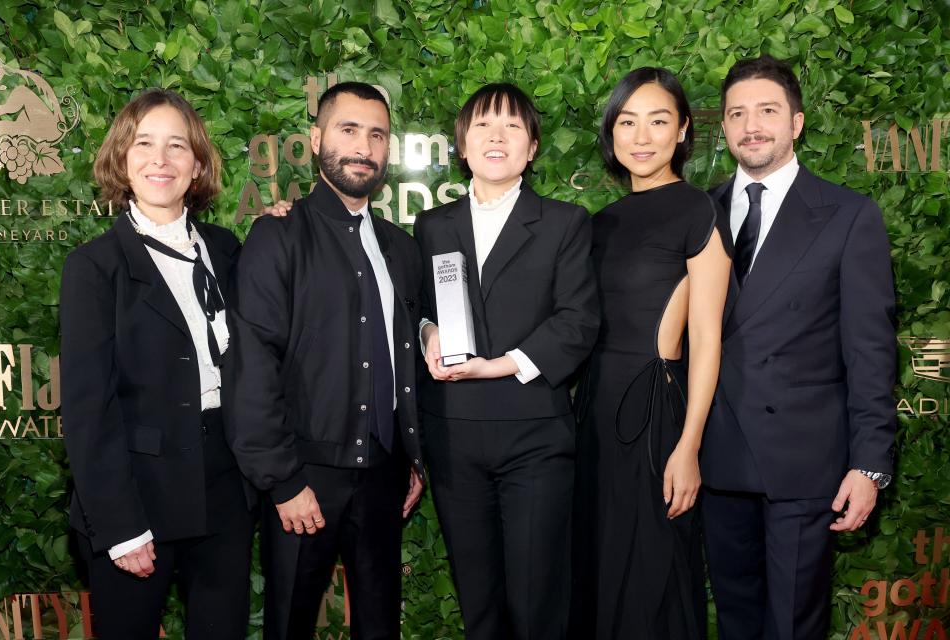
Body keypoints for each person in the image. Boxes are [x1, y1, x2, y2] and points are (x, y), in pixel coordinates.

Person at [700, 55, 897, 639]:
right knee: (735, 620)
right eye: (737, 114)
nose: (751, 125)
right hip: (715, 454)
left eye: (767, 111)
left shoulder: (848, 215)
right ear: (725, 128)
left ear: (797, 123)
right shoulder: (697, 212)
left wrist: (869, 463)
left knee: (792, 624)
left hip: (804, 460)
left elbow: (870, 351)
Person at [226, 81, 425, 640]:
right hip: (303, 478)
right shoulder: (277, 234)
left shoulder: (401, 249)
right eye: (348, 129)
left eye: (377, 134)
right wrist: (283, 481)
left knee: (381, 625)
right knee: (290, 624)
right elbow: (253, 364)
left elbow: (409, 356)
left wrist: (412, 458)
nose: (364, 146)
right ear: (316, 140)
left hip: (385, 475)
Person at [60, 89, 252, 639]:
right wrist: (119, 527)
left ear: (197, 165)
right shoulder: (94, 268)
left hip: (224, 488)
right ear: (123, 157)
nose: (160, 160)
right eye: (144, 144)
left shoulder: (227, 249)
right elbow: (87, 409)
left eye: (176, 146)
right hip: (137, 491)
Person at [415, 83, 599, 640]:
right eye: (483, 127)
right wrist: (427, 333)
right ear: (462, 147)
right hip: (454, 438)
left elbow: (578, 321)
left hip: (534, 437)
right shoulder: (432, 226)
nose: (497, 137)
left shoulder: (565, 222)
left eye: (512, 126)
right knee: (479, 600)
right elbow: (417, 308)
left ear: (533, 147)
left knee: (536, 600)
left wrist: (500, 364)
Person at [569, 68, 732, 639]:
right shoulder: (596, 223)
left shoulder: (699, 212)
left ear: (683, 130)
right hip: (592, 410)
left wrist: (689, 447)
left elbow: (707, 338)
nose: (642, 136)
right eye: (627, 122)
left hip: (655, 414)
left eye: (658, 121)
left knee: (652, 571)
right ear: (612, 134)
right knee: (598, 565)